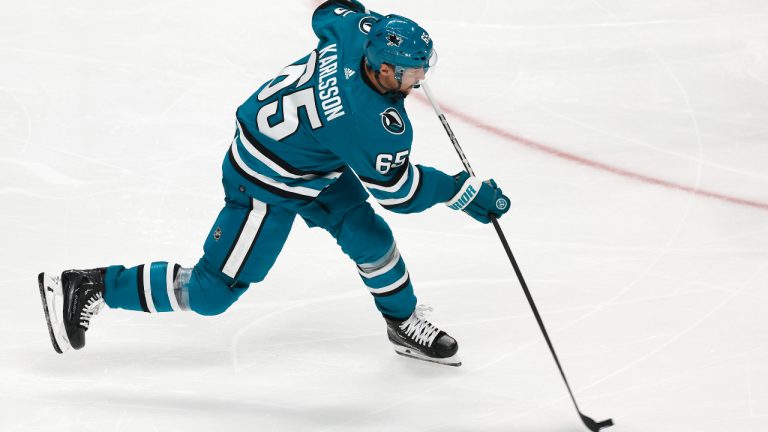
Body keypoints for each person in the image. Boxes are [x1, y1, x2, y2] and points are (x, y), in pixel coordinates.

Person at [37, 0, 509, 367]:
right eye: (411, 72)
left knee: (371, 240)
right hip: (265, 183)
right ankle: (89, 285)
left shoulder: (357, 33)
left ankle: (402, 323)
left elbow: (331, 12)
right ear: (384, 69)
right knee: (210, 292)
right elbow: (399, 194)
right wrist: (460, 191)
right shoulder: (366, 122)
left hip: (310, 162)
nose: (420, 78)